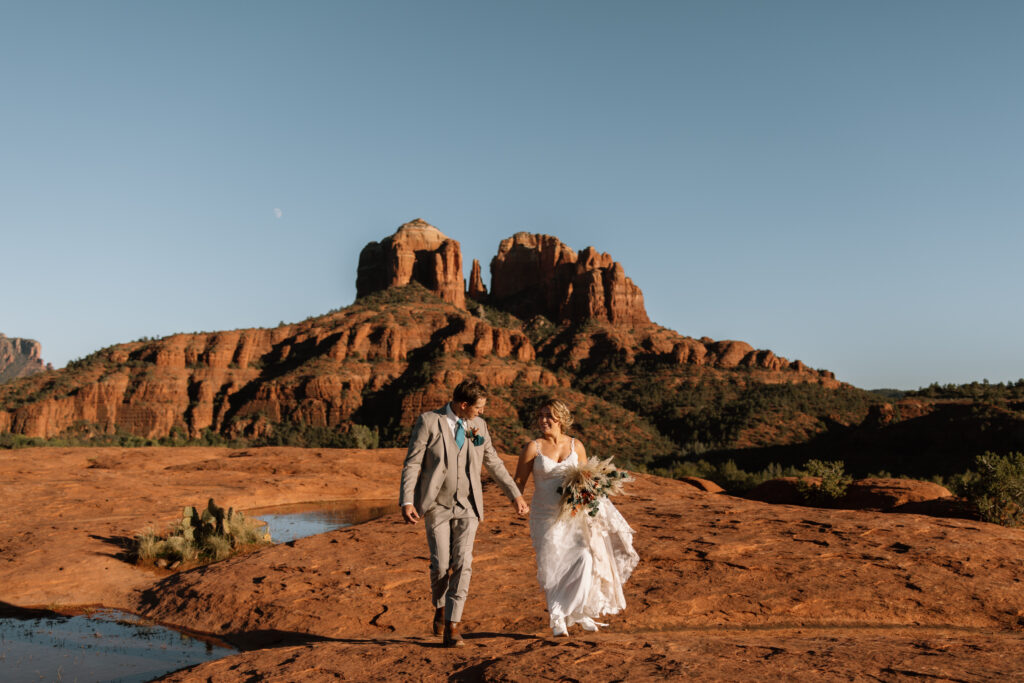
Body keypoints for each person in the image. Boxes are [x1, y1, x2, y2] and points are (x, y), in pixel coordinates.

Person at [400, 380, 530, 647]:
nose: (481, 412)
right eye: (478, 408)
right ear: (463, 405)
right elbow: (413, 462)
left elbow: (493, 461)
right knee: (440, 564)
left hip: (468, 505)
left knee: (463, 562)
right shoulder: (429, 422)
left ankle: (453, 625)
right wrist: (407, 501)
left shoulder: (478, 427)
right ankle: (440, 606)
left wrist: (514, 494)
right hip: (436, 504)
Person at [514, 398, 639, 637]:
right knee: (554, 564)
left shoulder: (576, 446)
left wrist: (589, 495)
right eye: (541, 416)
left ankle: (578, 612)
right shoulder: (534, 447)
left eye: (549, 415)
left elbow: (586, 478)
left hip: (574, 515)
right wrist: (518, 500)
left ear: (560, 418)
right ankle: (558, 618)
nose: (543, 420)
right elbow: (519, 481)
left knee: (584, 560)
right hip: (545, 515)